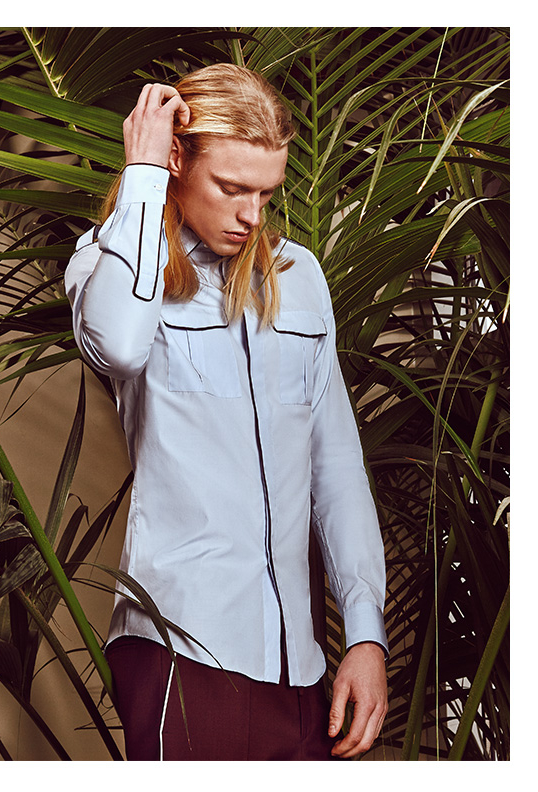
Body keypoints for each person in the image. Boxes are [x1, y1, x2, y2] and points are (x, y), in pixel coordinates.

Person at [65, 63, 388, 761]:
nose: (251, 215)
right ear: (177, 160)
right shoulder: (110, 264)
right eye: (232, 188)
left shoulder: (299, 277)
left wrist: (366, 634)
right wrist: (143, 174)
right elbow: (117, 346)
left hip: (300, 669)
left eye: (266, 193)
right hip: (181, 654)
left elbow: (336, 467)